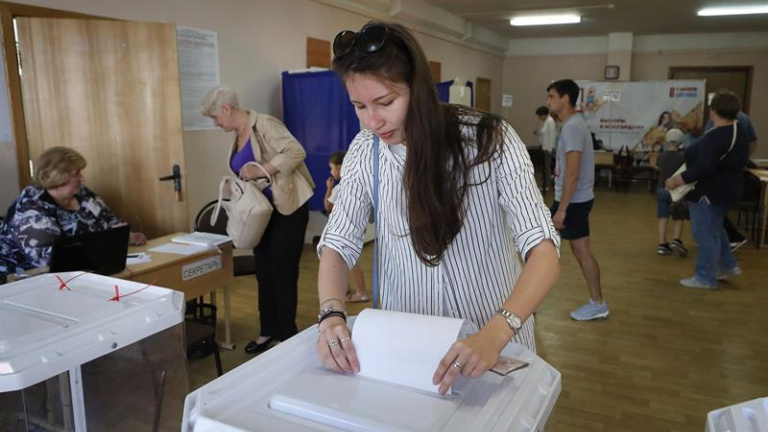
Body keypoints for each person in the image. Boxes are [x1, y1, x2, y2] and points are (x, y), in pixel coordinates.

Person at [315, 22, 560, 395]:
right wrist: (331, 315)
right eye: (359, 106)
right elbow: (338, 243)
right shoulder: (367, 150)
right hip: (409, 350)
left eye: (385, 102)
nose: (372, 121)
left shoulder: (488, 140)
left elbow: (543, 250)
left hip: (493, 342)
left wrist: (496, 333)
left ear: (419, 89)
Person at [201, 86, 316, 353]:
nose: (215, 123)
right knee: (264, 272)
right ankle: (267, 332)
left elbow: (296, 152)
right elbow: (247, 172)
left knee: (282, 273)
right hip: (261, 213)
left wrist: (263, 169)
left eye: (214, 117)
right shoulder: (238, 134)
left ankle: (286, 336)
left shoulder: (264, 124)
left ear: (226, 108)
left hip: (287, 210)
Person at [0, 146, 146, 283]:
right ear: (58, 177)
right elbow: (47, 260)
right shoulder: (31, 209)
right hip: (27, 280)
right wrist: (101, 248)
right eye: (76, 174)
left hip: (85, 270)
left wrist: (128, 236)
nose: (82, 178)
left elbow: (110, 220)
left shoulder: (81, 193)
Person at [665, 90, 749, 289]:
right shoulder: (737, 130)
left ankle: (705, 277)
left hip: (709, 192)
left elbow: (703, 167)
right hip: (726, 190)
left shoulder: (718, 136)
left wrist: (677, 180)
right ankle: (727, 266)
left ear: (714, 110)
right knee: (715, 230)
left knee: (705, 234)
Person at [547, 79, 608, 322]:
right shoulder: (571, 125)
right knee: (546, 245)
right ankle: (597, 302)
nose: (548, 101)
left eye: (551, 96)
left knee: (579, 251)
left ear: (565, 98)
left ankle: (598, 303)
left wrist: (562, 210)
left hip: (572, 202)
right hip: (572, 200)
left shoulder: (573, 127)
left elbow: (572, 173)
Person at [704, 106, 758, 252]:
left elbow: (707, 141)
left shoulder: (721, 121)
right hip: (731, 172)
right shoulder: (744, 119)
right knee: (716, 208)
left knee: (712, 207)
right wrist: (744, 157)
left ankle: (732, 237)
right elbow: (753, 141)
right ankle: (727, 240)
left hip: (719, 172)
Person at [324, 151, 369, 303]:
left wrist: (329, 188)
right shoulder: (356, 183)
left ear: (339, 167)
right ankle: (348, 289)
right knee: (347, 260)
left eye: (332, 168)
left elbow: (328, 205)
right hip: (355, 226)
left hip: (345, 228)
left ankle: (361, 293)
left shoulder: (341, 187)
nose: (331, 172)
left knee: (350, 261)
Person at [655, 129, 689, 256]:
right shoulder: (683, 157)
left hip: (661, 189)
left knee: (662, 218)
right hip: (677, 191)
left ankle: (662, 244)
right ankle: (676, 240)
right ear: (680, 141)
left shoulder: (661, 156)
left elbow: (658, 168)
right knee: (679, 217)